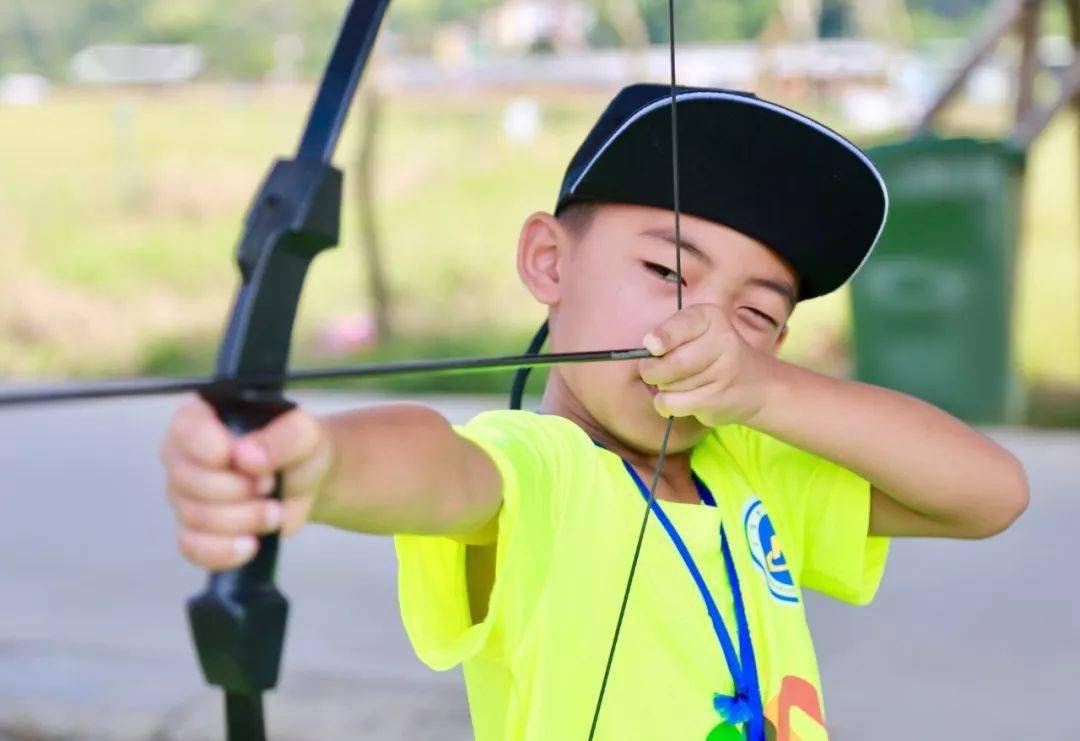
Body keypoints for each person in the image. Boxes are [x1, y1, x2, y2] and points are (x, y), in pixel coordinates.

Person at [158, 85, 1029, 740]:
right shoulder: (545, 468)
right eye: (666, 272)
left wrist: (770, 394)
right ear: (548, 261)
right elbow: (441, 470)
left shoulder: (754, 467)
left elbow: (991, 493)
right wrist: (310, 463)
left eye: (757, 314)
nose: (702, 326)